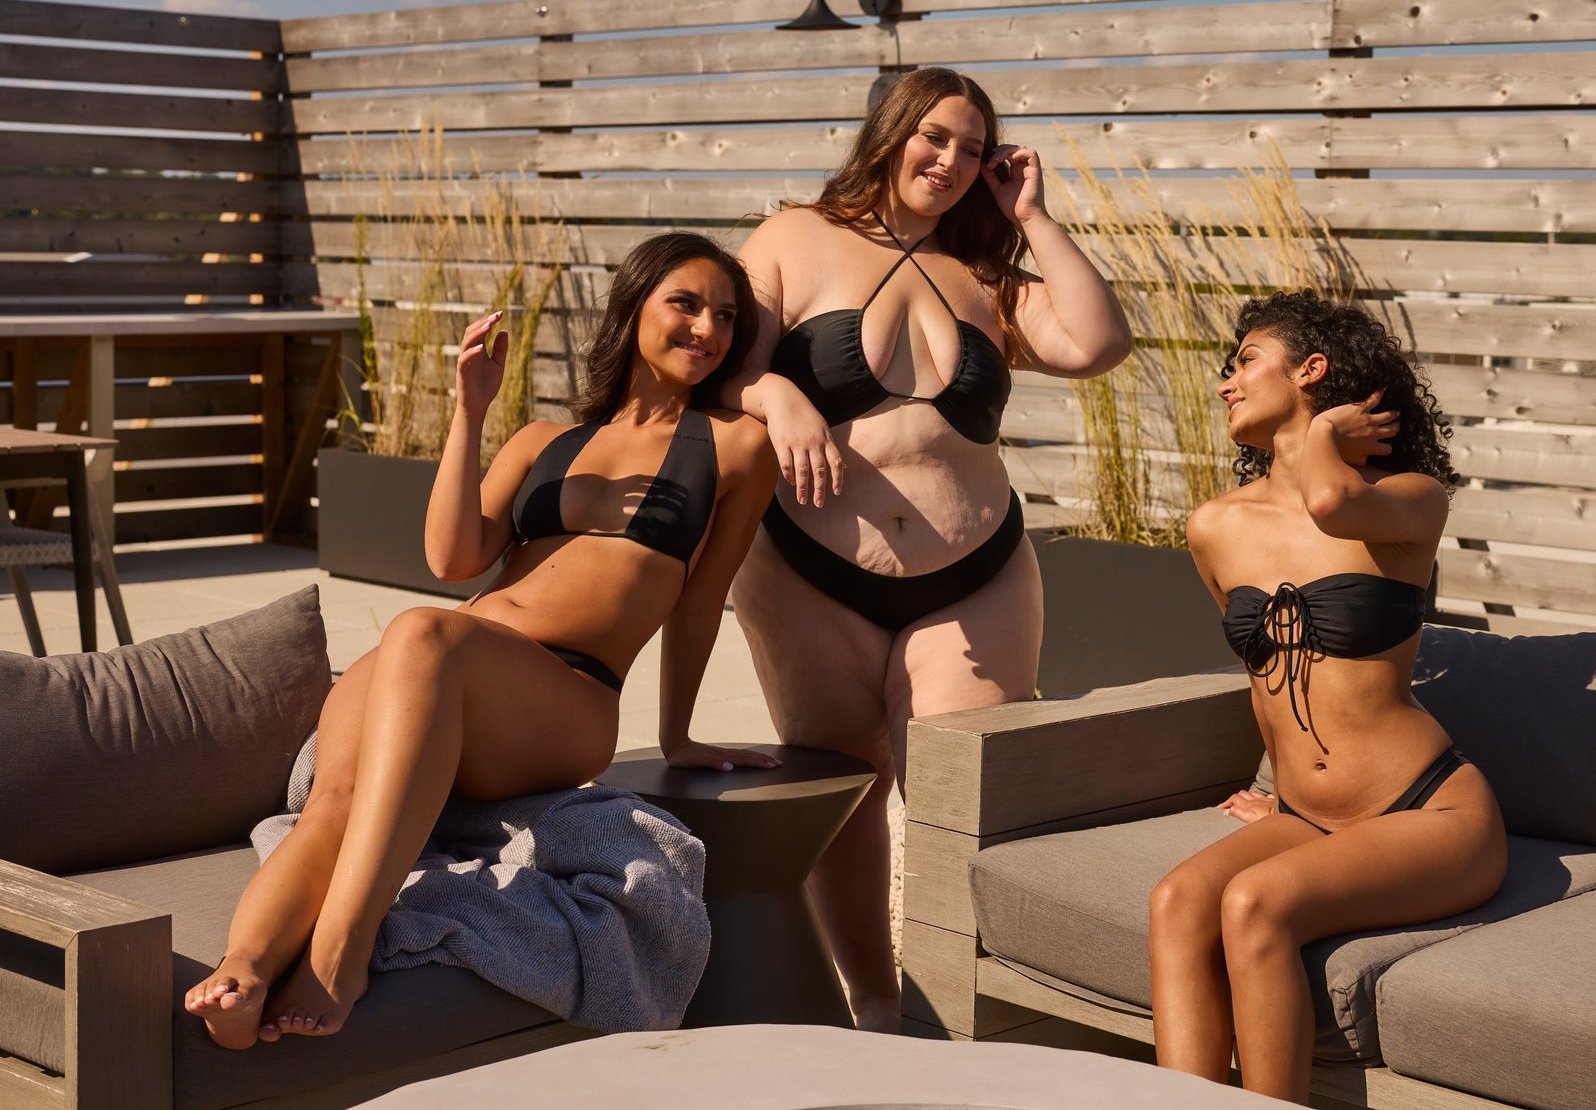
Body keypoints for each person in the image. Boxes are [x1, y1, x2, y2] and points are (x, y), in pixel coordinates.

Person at [184, 233, 779, 1048]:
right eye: (687, 302)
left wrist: (678, 734)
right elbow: (452, 556)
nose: (707, 327)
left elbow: (701, 601)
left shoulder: (734, 446)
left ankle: (341, 954)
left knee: (423, 633)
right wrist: (470, 409)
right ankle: (243, 971)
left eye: (725, 316)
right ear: (635, 304)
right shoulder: (542, 442)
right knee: (335, 802)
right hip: (441, 667)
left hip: (564, 697)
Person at [720, 67, 1132, 1031]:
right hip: (807, 573)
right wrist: (778, 393)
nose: (951, 162)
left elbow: (1096, 341)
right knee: (841, 790)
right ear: (891, 131)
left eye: (976, 150)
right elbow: (718, 367)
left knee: (960, 798)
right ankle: (874, 1005)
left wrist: (1033, 217)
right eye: (935, 138)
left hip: (973, 574)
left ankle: (957, 1018)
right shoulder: (795, 237)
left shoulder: (985, 274)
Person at [1147, 290, 1506, 1102]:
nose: (1225, 384)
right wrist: (1282, 793)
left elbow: (1329, 501)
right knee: (1176, 901)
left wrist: (1319, 437)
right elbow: (1264, 677)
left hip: (1430, 813)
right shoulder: (1215, 526)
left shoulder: (1408, 499)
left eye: (1244, 362)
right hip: (1308, 815)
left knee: (1254, 903)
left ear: (1312, 370)